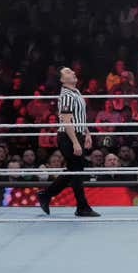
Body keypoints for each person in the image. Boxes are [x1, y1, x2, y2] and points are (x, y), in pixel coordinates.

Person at [37, 67, 100, 217]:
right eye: (67, 72)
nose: (72, 72)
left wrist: (87, 133)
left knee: (74, 170)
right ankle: (81, 206)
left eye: (71, 71)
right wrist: (75, 142)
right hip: (68, 136)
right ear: (62, 80)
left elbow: (80, 117)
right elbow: (66, 121)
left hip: (77, 134)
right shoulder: (65, 95)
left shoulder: (76, 92)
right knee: (76, 171)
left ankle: (46, 194)